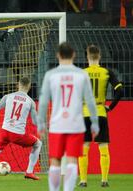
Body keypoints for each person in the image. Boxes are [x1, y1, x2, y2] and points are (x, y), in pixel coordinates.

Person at [37, 42, 99, 191]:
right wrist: (94, 122)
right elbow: (90, 101)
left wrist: (41, 124)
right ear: (73, 55)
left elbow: (43, 101)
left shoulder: (50, 75)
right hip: (75, 124)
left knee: (55, 161)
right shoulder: (81, 74)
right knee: (72, 161)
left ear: (58, 55)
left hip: (57, 124)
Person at [0, 77, 41, 180]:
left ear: (18, 84)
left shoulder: (8, 96)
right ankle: (29, 172)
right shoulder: (30, 102)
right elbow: (34, 121)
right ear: (29, 86)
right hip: (18, 134)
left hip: (5, 131)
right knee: (38, 144)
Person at [78, 45, 123, 188]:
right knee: (103, 147)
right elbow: (120, 90)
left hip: (85, 113)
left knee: (84, 147)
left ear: (87, 57)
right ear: (100, 56)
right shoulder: (106, 72)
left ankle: (83, 181)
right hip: (100, 112)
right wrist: (110, 106)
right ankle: (104, 180)